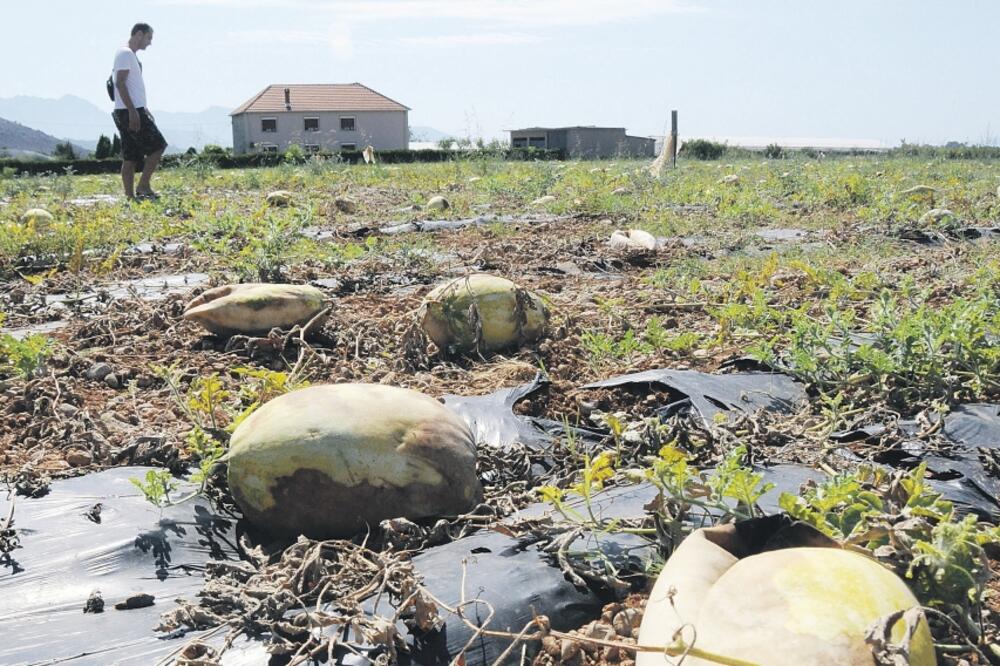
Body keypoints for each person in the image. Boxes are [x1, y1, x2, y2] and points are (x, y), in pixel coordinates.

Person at [111, 23, 167, 200]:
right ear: (139, 34)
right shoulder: (125, 54)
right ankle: (143, 186)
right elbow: (119, 83)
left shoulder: (128, 55)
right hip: (129, 111)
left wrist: (143, 108)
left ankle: (129, 196)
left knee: (131, 156)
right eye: (149, 38)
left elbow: (130, 86)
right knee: (158, 146)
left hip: (127, 110)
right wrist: (133, 111)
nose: (150, 42)